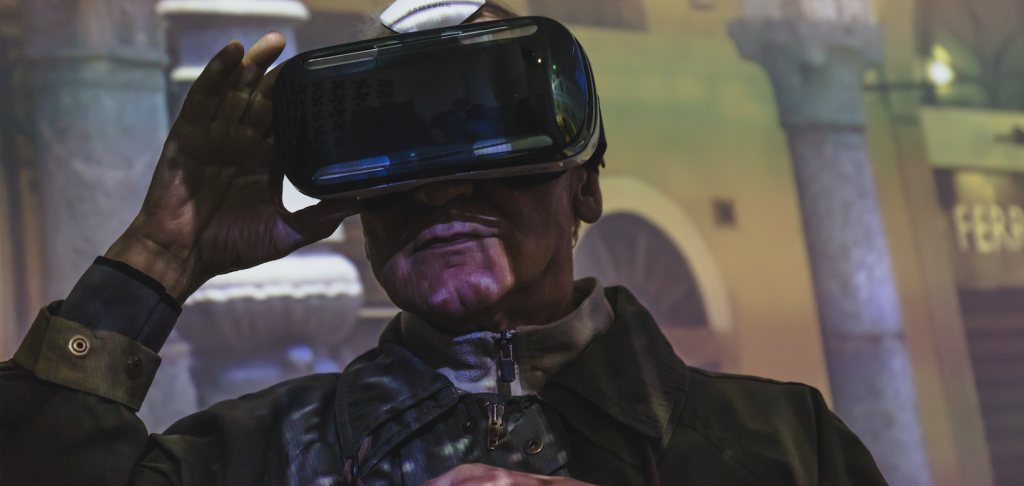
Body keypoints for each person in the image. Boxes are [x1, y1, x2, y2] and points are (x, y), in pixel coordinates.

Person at [0, 2, 889, 485]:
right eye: (395, 153)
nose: (439, 187)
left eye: (486, 134)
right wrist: (161, 253)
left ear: (584, 184)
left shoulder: (783, 446)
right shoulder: (257, 455)